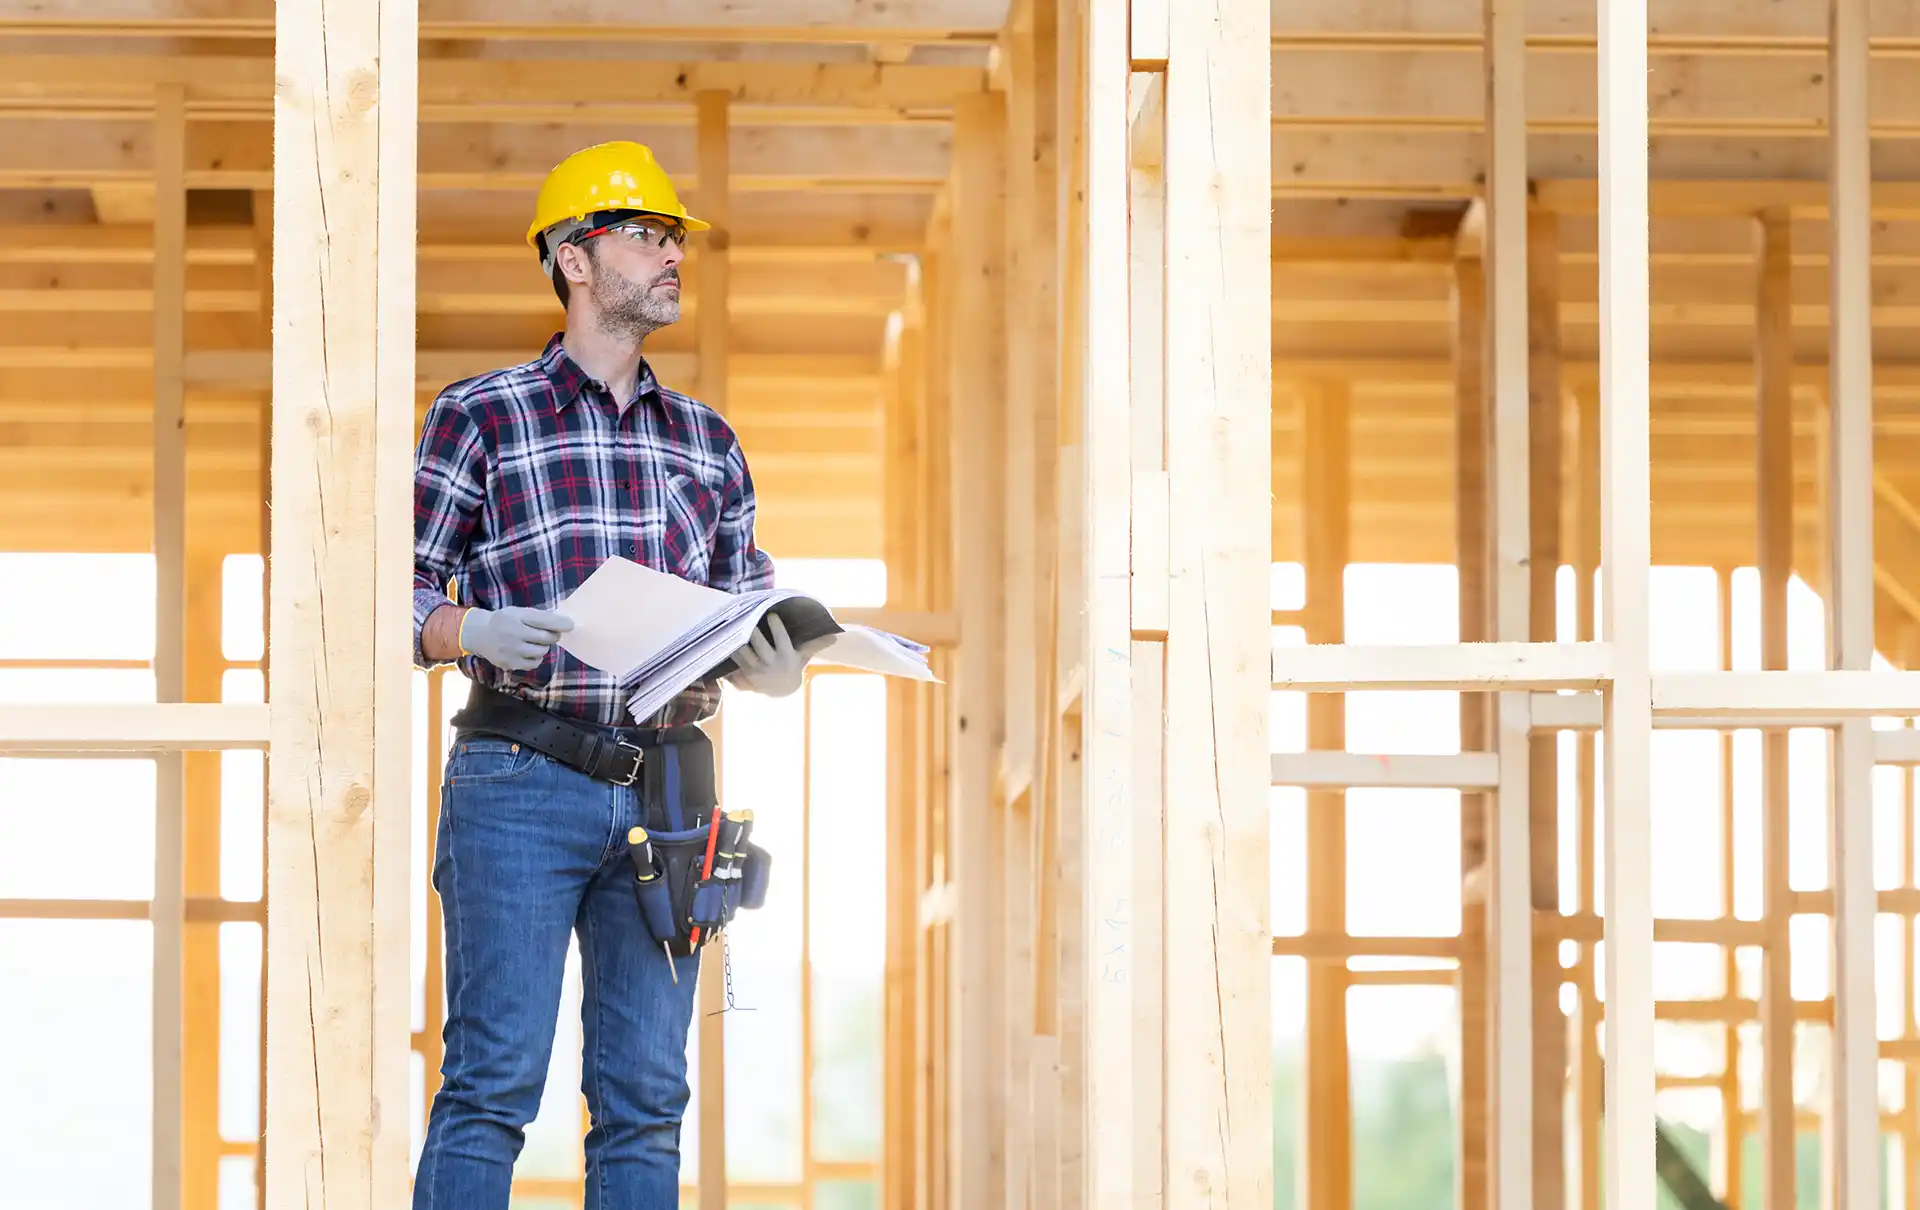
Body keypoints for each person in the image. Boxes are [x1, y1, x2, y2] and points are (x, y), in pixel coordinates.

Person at [407, 140, 831, 1210]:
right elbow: (390, 593)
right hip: (519, 779)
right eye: (647, 234)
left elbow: (744, 601)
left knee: (646, 1101)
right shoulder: (481, 415)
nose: (672, 254)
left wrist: (770, 663)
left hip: (669, 797)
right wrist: (468, 629)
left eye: (675, 237)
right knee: (490, 1086)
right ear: (574, 257)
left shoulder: (709, 442)